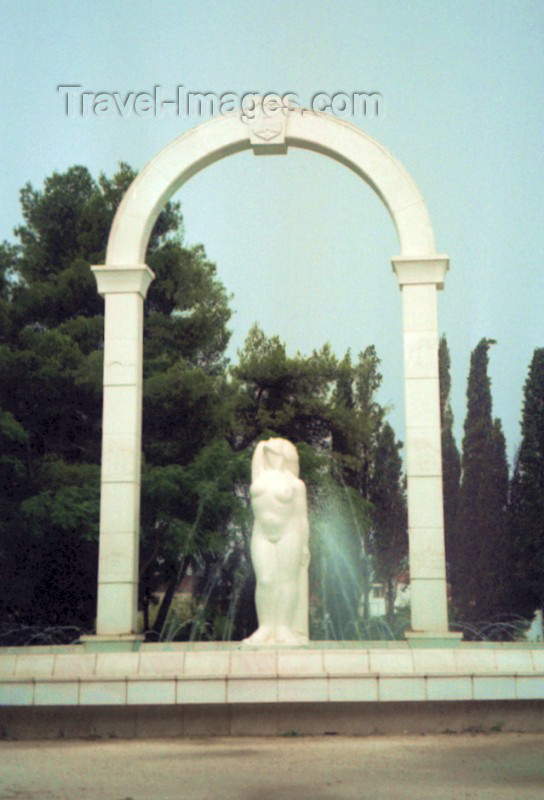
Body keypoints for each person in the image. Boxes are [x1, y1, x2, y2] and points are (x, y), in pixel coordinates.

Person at [243, 438, 310, 645]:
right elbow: (259, 452)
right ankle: (265, 627)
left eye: (274, 451)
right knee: (265, 580)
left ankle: (283, 627)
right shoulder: (260, 477)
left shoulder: (296, 484)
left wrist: (305, 544)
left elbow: (301, 516)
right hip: (261, 532)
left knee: (288, 580)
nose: (268, 454)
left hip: (290, 532)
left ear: (284, 456)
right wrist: (264, 446)